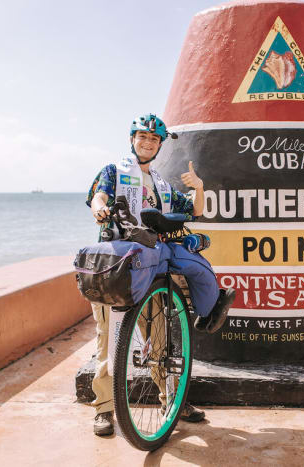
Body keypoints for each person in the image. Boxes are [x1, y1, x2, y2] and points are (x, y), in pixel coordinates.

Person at [85, 113, 235, 436]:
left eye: (154, 140)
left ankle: (173, 401)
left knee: (161, 343)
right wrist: (100, 208)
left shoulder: (163, 186)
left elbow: (195, 210)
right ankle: (104, 409)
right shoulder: (114, 172)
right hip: (117, 270)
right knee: (107, 342)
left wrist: (200, 188)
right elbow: (99, 195)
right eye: (143, 137)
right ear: (132, 139)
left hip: (149, 274)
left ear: (160, 146)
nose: (148, 143)